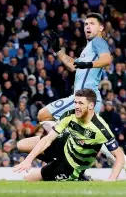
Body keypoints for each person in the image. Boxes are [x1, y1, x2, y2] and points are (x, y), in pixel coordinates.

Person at [38, 12, 126, 169]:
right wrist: (58, 50)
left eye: (91, 24)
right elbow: (73, 65)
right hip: (88, 99)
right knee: (98, 139)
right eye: (85, 24)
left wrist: (89, 64)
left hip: (84, 99)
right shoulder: (88, 48)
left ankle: (67, 147)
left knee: (43, 114)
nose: (87, 27)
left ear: (100, 27)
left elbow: (107, 59)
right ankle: (120, 159)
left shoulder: (98, 42)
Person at [14, 89, 125, 181]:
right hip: (65, 143)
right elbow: (48, 139)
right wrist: (28, 160)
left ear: (91, 106)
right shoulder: (70, 114)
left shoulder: (100, 129)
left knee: (28, 179)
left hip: (72, 164)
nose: (76, 106)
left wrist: (111, 180)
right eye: (75, 102)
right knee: (21, 145)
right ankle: (53, 161)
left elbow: (119, 156)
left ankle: (79, 177)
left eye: (80, 103)